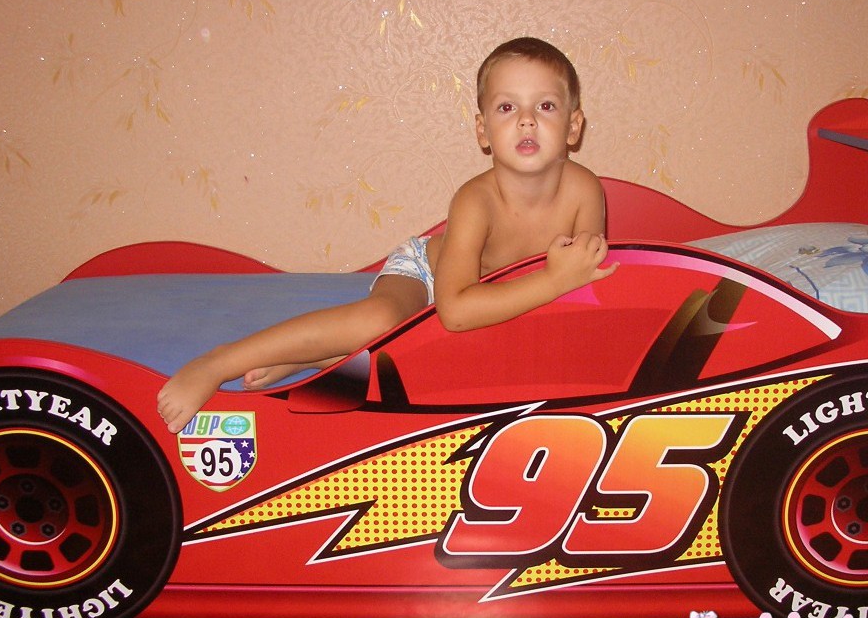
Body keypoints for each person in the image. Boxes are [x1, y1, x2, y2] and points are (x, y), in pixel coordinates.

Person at [157, 37, 618, 434]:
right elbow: (456, 311)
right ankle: (220, 361)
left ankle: (320, 359)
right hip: (431, 281)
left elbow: (581, 295)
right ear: (483, 130)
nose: (526, 120)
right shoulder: (476, 199)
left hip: (501, 304)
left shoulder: (584, 191)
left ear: (573, 126)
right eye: (506, 107)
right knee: (381, 321)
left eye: (545, 106)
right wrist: (555, 280)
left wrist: (564, 285)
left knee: (472, 376)